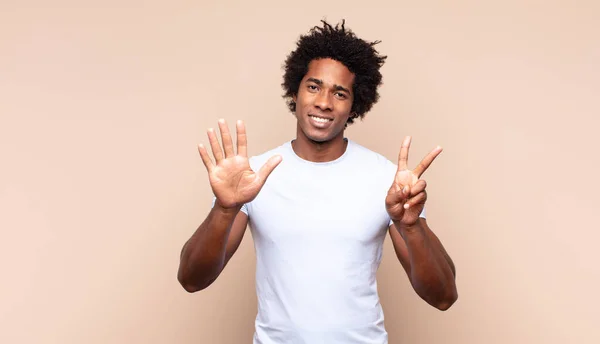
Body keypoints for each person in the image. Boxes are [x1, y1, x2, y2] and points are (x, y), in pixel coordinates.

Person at [177, 19, 457, 343]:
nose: (324, 102)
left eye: (340, 93)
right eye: (314, 86)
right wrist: (225, 209)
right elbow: (192, 279)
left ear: (354, 106)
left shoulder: (387, 181)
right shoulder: (253, 178)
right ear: (294, 92)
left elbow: (443, 296)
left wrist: (411, 226)